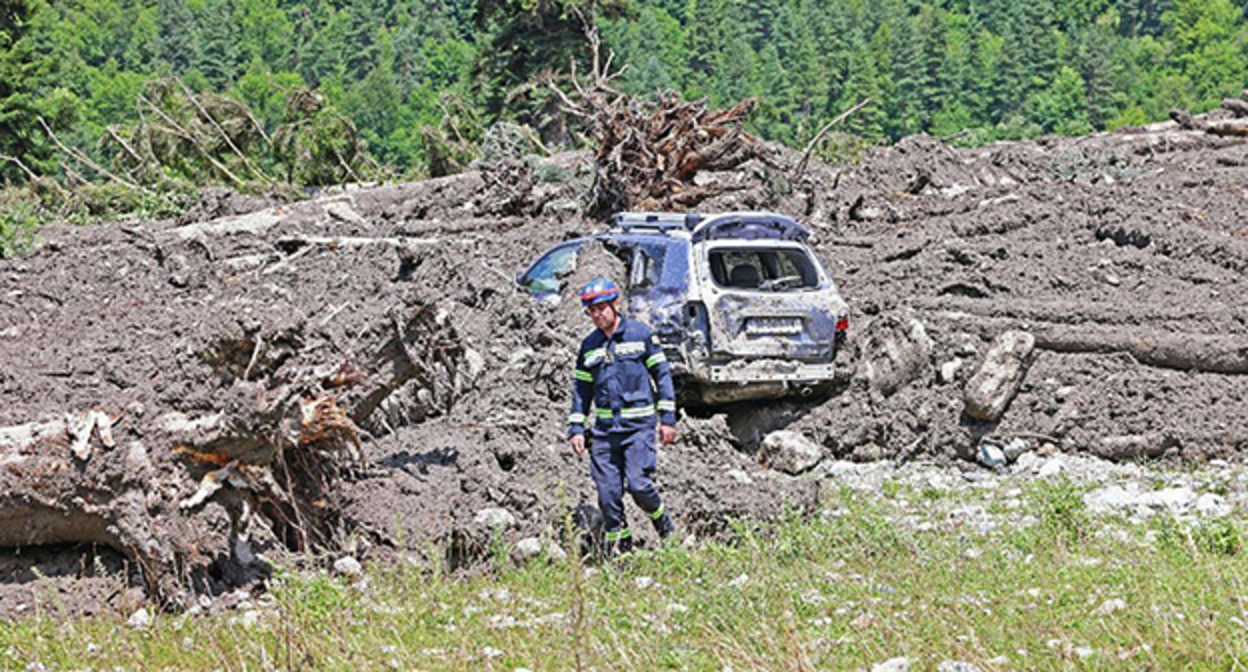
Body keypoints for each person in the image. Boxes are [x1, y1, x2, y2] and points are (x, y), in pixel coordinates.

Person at [567, 276, 677, 557]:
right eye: (590, 310)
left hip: (638, 428)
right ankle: (622, 550)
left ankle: (666, 528)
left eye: (600, 308)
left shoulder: (641, 335)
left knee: (640, 486)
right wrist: (577, 428)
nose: (596, 315)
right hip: (604, 433)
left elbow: (662, 376)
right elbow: (581, 390)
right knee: (608, 495)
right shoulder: (589, 347)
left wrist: (667, 418)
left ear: (615, 304)